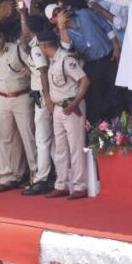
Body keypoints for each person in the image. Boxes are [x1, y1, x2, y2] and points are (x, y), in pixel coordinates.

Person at [46, 0, 121, 122]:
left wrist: (116, 46)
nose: (59, 14)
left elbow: (106, 26)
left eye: (58, 10)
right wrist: (62, 27)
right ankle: (107, 129)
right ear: (52, 20)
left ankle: (123, 126)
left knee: (116, 92)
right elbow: (66, 50)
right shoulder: (62, 32)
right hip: (92, 64)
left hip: (109, 57)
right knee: (99, 97)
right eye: (55, 15)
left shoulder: (84, 14)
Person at [0, 24, 35, 192]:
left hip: (22, 96)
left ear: (3, 36)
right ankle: (6, 177)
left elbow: (36, 68)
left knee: (28, 136)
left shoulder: (17, 49)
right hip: (1, 99)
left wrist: (30, 73)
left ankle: (37, 176)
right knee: (3, 139)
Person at [41, 27, 90, 200]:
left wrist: (75, 103)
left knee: (75, 147)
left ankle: (80, 185)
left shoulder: (66, 60)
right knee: (60, 148)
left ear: (44, 46)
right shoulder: (54, 60)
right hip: (58, 108)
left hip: (71, 106)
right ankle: (61, 184)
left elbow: (84, 81)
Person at [20, 11, 53, 196]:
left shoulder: (36, 47)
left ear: (29, 30)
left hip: (43, 94)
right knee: (49, 139)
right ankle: (53, 176)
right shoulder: (35, 44)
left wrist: (47, 97)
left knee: (42, 139)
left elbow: (43, 71)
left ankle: (42, 179)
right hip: (42, 93)